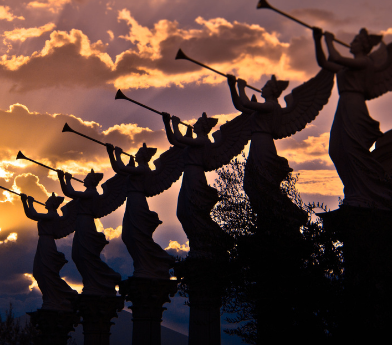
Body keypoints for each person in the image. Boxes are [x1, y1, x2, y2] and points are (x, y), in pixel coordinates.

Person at [313, 27, 392, 210]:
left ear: (364, 46)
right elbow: (325, 63)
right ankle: (354, 191)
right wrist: (317, 40)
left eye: (356, 40)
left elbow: (334, 57)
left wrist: (329, 40)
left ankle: (366, 193)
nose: (352, 42)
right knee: (336, 149)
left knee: (352, 149)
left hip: (354, 104)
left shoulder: (365, 62)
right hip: (343, 105)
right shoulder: (348, 66)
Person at [228, 76, 309, 229]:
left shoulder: (272, 106)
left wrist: (241, 87)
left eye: (266, 86)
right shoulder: (263, 108)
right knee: (251, 183)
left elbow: (245, 102)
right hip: (257, 144)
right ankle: (267, 214)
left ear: (272, 91)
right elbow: (240, 106)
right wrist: (232, 86)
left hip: (263, 145)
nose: (262, 88)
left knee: (264, 182)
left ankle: (282, 214)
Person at [162, 112, 231, 258]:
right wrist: (167, 123)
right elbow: (175, 140)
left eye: (198, 123)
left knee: (194, 210)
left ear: (203, 127)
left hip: (195, 175)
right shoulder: (194, 142)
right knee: (183, 211)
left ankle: (207, 242)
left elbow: (179, 138)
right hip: (188, 176)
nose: (194, 124)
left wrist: (174, 123)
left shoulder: (203, 141)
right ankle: (197, 242)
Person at [105, 143, 174, 280]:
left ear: (143, 156)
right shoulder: (137, 169)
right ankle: (142, 264)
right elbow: (119, 170)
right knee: (128, 235)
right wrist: (111, 154)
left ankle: (149, 264)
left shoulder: (143, 169)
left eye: (138, 152)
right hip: (131, 201)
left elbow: (121, 168)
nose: (135, 154)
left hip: (137, 201)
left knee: (138, 234)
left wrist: (117, 154)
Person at [59, 170, 121, 296]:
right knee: (77, 255)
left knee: (86, 254)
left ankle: (99, 280)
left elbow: (70, 193)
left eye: (86, 178)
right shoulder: (87, 193)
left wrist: (66, 180)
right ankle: (90, 281)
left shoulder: (92, 193)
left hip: (86, 224)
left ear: (92, 181)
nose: (84, 179)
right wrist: (64, 180)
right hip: (81, 223)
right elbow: (69, 193)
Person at [21, 192, 78, 311]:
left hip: (47, 243)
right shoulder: (49, 215)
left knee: (47, 271)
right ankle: (50, 297)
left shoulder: (53, 215)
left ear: (52, 204)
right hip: (42, 243)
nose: (46, 202)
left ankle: (58, 296)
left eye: (48, 201)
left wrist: (29, 203)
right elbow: (31, 215)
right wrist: (24, 203)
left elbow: (34, 215)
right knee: (39, 272)